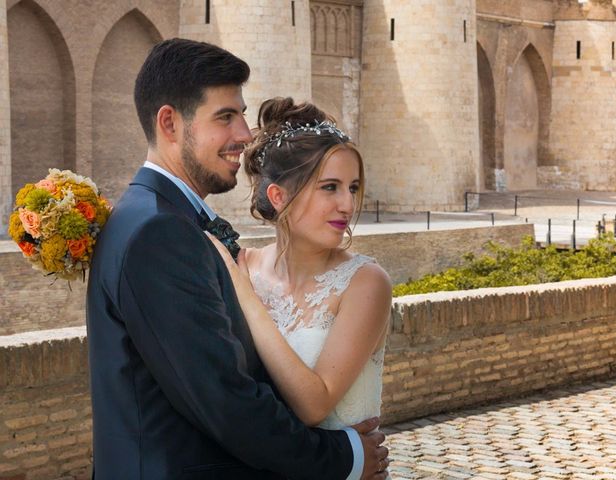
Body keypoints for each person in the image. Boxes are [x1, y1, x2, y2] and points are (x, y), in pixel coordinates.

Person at [86, 38, 389, 479]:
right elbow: (224, 400)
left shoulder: (149, 216)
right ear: (170, 123)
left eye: (242, 115)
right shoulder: (160, 230)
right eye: (225, 117)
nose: (245, 135)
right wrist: (346, 457)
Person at [209, 98, 392, 475]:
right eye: (330, 187)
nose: (347, 203)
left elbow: (315, 404)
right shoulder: (245, 265)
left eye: (352, 187)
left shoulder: (365, 283)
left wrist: (247, 299)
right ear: (279, 196)